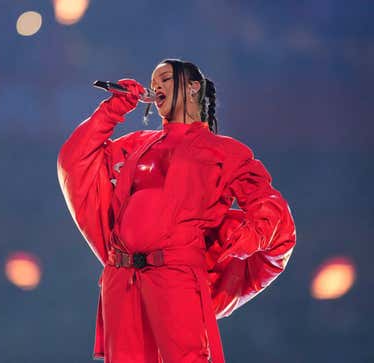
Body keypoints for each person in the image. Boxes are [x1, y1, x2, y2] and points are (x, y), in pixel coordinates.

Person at [57, 58, 296, 363]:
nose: (156, 86)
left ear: (194, 87)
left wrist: (255, 232)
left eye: (166, 79)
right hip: (122, 277)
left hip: (175, 275)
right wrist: (112, 111)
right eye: (154, 82)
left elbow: (266, 200)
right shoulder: (136, 145)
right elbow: (75, 159)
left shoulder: (225, 151)